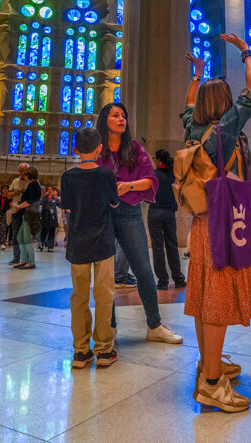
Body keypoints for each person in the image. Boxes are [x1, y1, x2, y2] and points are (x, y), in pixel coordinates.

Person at [183, 33, 251, 413]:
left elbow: (188, 104)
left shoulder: (192, 128)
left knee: (205, 298)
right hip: (223, 220)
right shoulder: (226, 129)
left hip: (201, 222)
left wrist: (197, 74)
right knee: (217, 299)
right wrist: (247, 51)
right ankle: (214, 384)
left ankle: (208, 365)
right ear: (224, 104)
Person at [96, 102, 183, 344]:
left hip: (129, 211)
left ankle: (154, 325)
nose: (121, 119)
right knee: (105, 274)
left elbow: (150, 179)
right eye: (115, 115)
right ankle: (109, 328)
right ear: (105, 121)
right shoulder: (96, 149)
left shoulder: (134, 148)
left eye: (123, 115)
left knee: (144, 270)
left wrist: (128, 186)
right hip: (103, 212)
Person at [62, 128, 120, 369]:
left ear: (75, 150)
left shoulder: (68, 177)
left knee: (79, 297)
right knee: (104, 296)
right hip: (103, 243)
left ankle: (80, 351)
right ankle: (104, 349)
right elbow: (114, 203)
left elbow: (67, 210)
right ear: (99, 149)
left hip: (78, 244)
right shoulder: (106, 175)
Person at [147, 149, 186, 290]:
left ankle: (163, 281)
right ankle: (178, 279)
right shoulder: (173, 175)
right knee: (172, 246)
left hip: (154, 212)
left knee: (157, 248)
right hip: (169, 213)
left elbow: (146, 194)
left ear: (158, 160)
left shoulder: (153, 175)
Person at [14, 166, 42, 269]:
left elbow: (30, 201)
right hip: (27, 214)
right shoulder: (32, 185)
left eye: (25, 174)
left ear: (28, 175)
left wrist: (18, 206)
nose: (23, 175)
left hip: (30, 215)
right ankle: (24, 259)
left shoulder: (33, 184)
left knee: (26, 238)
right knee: (20, 237)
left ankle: (31, 261)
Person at [7, 163, 29, 265]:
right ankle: (16, 257)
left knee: (26, 236)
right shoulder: (15, 181)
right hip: (16, 211)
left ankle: (27, 258)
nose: (22, 172)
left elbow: (37, 196)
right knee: (16, 235)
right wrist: (15, 193)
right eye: (20, 170)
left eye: (25, 170)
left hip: (28, 212)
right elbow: (8, 195)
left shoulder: (33, 181)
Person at [39, 186, 59, 251]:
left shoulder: (55, 199)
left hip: (53, 218)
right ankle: (42, 244)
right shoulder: (44, 198)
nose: (50, 191)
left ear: (53, 191)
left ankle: (50, 246)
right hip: (45, 217)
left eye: (51, 189)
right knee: (44, 231)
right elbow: (40, 203)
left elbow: (60, 204)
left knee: (52, 232)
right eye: (48, 189)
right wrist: (45, 196)